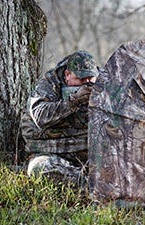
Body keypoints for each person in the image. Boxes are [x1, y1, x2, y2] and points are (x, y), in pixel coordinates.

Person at [21, 50, 98, 185]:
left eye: (90, 79)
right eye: (80, 79)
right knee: (38, 168)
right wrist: (74, 101)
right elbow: (40, 116)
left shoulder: (104, 84)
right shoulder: (49, 84)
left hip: (91, 154)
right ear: (67, 75)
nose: (86, 84)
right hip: (54, 154)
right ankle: (89, 186)